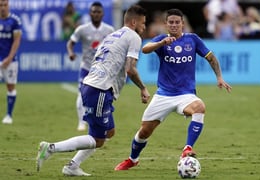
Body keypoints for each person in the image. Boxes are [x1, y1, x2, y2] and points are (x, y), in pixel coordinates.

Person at [36, 5, 150, 176]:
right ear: (134, 22)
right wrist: (143, 88)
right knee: (97, 139)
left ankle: (72, 167)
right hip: (100, 89)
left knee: (109, 132)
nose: (144, 27)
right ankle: (51, 148)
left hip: (92, 85)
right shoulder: (134, 37)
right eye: (143, 23)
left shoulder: (112, 35)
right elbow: (130, 69)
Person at [115, 8, 232, 171]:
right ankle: (132, 159)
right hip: (163, 95)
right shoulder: (162, 40)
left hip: (186, 95)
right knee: (144, 132)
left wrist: (219, 77)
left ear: (183, 24)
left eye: (177, 22)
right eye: (171, 22)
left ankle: (187, 148)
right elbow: (145, 49)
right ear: (166, 24)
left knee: (200, 108)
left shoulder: (193, 40)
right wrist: (162, 43)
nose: (174, 25)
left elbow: (211, 57)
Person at [66, 1, 115, 131]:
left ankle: (104, 123)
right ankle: (82, 122)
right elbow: (70, 43)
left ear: (103, 14)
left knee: (103, 97)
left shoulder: (109, 30)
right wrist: (71, 53)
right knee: (81, 94)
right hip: (86, 68)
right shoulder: (82, 29)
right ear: (90, 13)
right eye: (94, 12)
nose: (96, 14)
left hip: (102, 70)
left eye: (98, 12)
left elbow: (116, 47)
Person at [0, 0, 22, 124]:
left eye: (5, 5)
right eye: (0, 5)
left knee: (10, 87)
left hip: (10, 61)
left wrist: (9, 58)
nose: (2, 7)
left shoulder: (15, 21)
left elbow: (16, 41)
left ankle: (9, 115)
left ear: (8, 5)